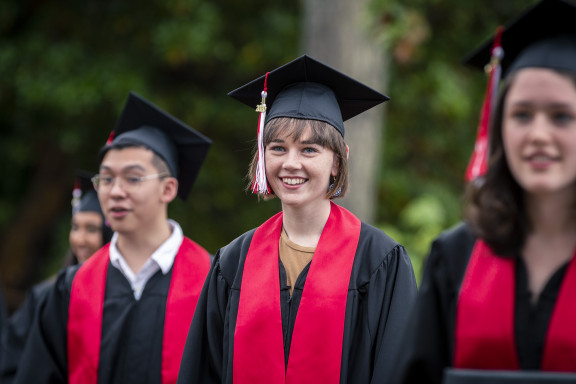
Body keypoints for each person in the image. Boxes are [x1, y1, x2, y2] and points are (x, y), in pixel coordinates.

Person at [177, 55, 418, 384]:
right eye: (278, 148)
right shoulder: (233, 262)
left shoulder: (379, 262)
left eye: (309, 150)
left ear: (338, 160)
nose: (291, 163)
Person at [392, 0, 576, 383]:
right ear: (500, 127)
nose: (538, 135)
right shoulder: (455, 257)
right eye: (522, 114)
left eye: (561, 116)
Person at [13, 92, 212, 384]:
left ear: (168, 189)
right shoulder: (70, 288)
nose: (115, 191)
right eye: (106, 179)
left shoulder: (212, 280)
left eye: (132, 178)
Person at [0, 171, 113, 383]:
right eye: (75, 227)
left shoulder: (120, 297)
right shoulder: (47, 295)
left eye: (91, 229)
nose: (80, 239)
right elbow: (12, 362)